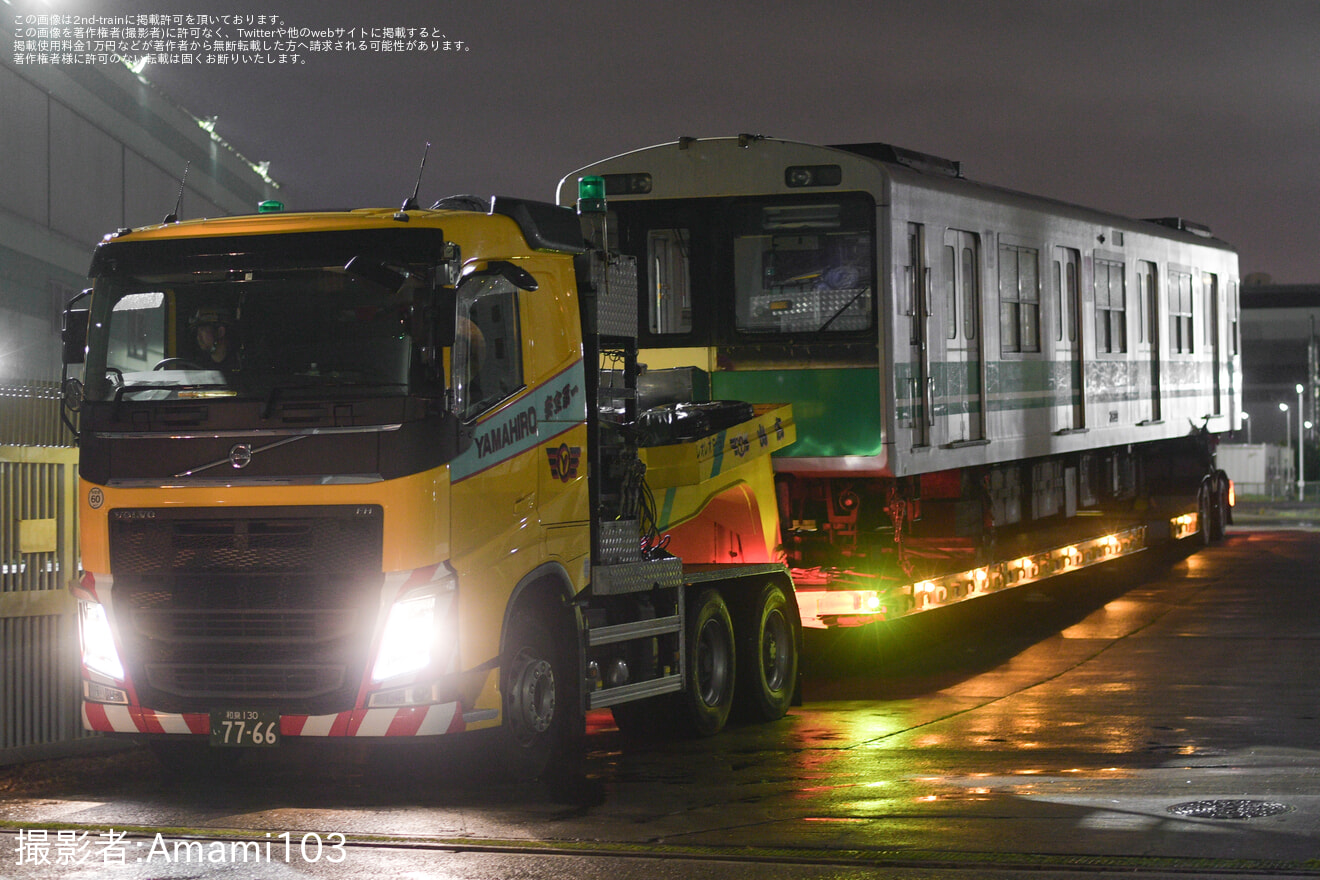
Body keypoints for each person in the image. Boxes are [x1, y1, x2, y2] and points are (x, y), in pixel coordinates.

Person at [189, 307, 241, 373]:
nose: (198, 337)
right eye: (198, 331)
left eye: (202, 330)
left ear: (220, 332)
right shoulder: (197, 366)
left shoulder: (239, 366)